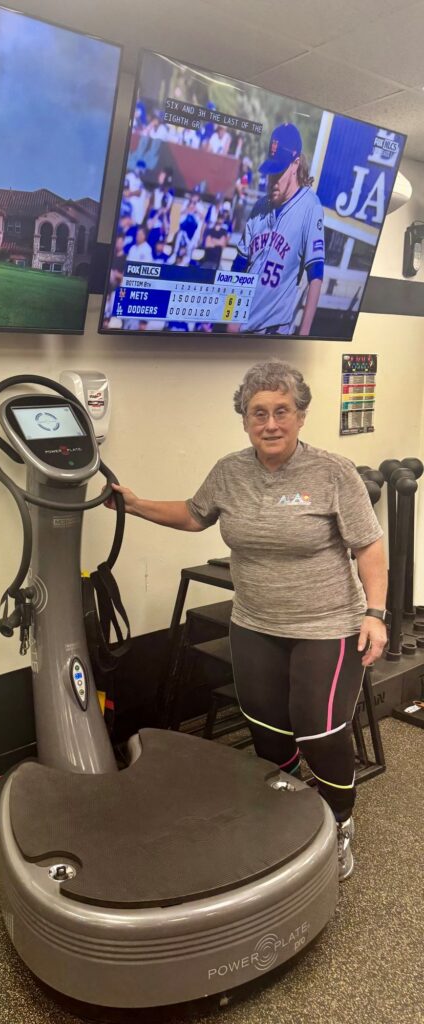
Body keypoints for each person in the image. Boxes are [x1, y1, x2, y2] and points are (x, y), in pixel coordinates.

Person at [105, 360, 387, 882]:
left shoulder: (332, 472)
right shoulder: (230, 472)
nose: (271, 423)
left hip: (327, 626)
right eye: (259, 413)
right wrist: (137, 505)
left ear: (301, 417)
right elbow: (195, 514)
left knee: (319, 730)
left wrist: (375, 614)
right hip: (255, 622)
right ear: (245, 420)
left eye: (282, 411)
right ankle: (289, 800)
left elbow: (369, 545)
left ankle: (341, 821)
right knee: (267, 729)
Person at [229, 123, 324, 335]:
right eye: (270, 171)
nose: (271, 180)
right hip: (239, 328)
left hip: (272, 332)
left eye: (278, 171)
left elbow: (316, 274)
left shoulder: (310, 206)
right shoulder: (260, 207)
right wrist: (229, 317)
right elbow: (239, 265)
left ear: (295, 165)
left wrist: (304, 333)